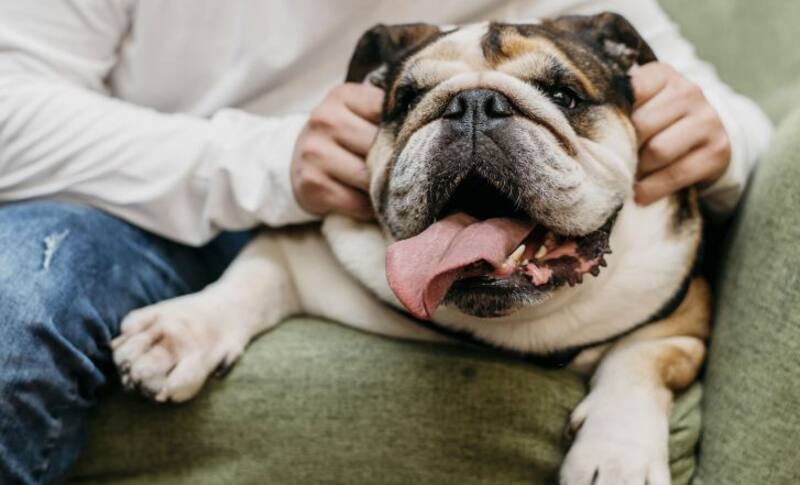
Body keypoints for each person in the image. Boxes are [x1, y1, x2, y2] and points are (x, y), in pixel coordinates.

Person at [0, 1, 771, 483]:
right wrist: (271, 161)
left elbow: (738, 124)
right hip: (124, 200)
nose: (475, 123)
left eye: (558, 94)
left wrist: (711, 134)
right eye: (417, 104)